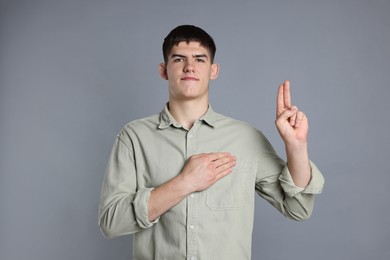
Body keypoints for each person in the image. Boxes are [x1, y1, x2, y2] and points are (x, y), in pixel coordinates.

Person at [98, 25, 324, 260]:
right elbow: (111, 222)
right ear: (163, 70)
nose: (189, 67)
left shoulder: (246, 138)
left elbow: (298, 209)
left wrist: (296, 146)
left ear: (213, 70)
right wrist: (184, 183)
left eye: (199, 59)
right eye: (178, 59)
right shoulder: (134, 137)